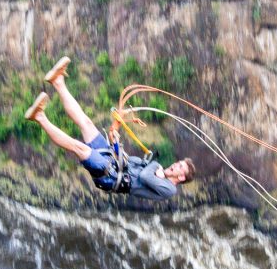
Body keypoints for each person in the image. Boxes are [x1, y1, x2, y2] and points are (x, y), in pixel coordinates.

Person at [25, 56, 195, 201]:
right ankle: (58, 82)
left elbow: (144, 177)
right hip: (113, 162)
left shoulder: (169, 189)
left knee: (80, 148)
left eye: (180, 167)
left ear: (180, 177)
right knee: (87, 123)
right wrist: (115, 137)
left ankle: (39, 117)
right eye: (179, 163)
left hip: (110, 177)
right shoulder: (155, 167)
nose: (175, 165)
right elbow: (127, 161)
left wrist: (155, 168)